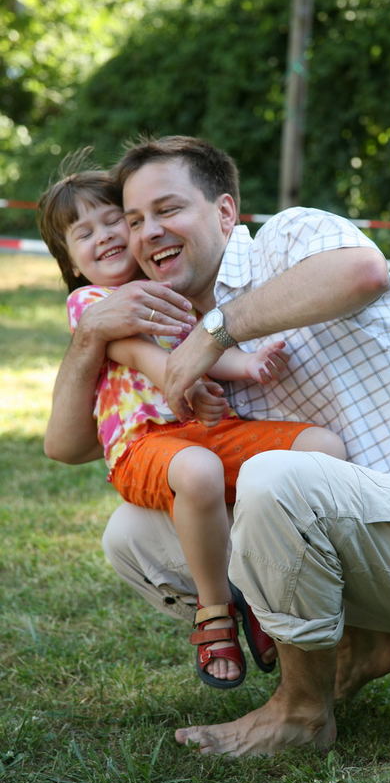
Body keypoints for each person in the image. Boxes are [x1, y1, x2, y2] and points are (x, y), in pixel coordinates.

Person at [45, 135, 390, 756]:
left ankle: (300, 714)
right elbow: (71, 445)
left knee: (275, 475)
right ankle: (361, 643)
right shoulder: (171, 325)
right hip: (359, 536)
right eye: (134, 220)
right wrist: (92, 336)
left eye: (168, 209)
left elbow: (361, 273)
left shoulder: (290, 237)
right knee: (133, 535)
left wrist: (215, 335)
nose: (146, 232)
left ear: (224, 212)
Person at [39, 167, 346, 690]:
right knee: (199, 471)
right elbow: (133, 350)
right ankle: (215, 613)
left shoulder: (165, 290)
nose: (106, 236)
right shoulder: (90, 305)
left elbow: (201, 341)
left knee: (321, 446)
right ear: (70, 261)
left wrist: (246, 365)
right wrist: (180, 380)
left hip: (211, 430)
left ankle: (278, 589)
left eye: (116, 221)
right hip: (146, 445)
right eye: (84, 233)